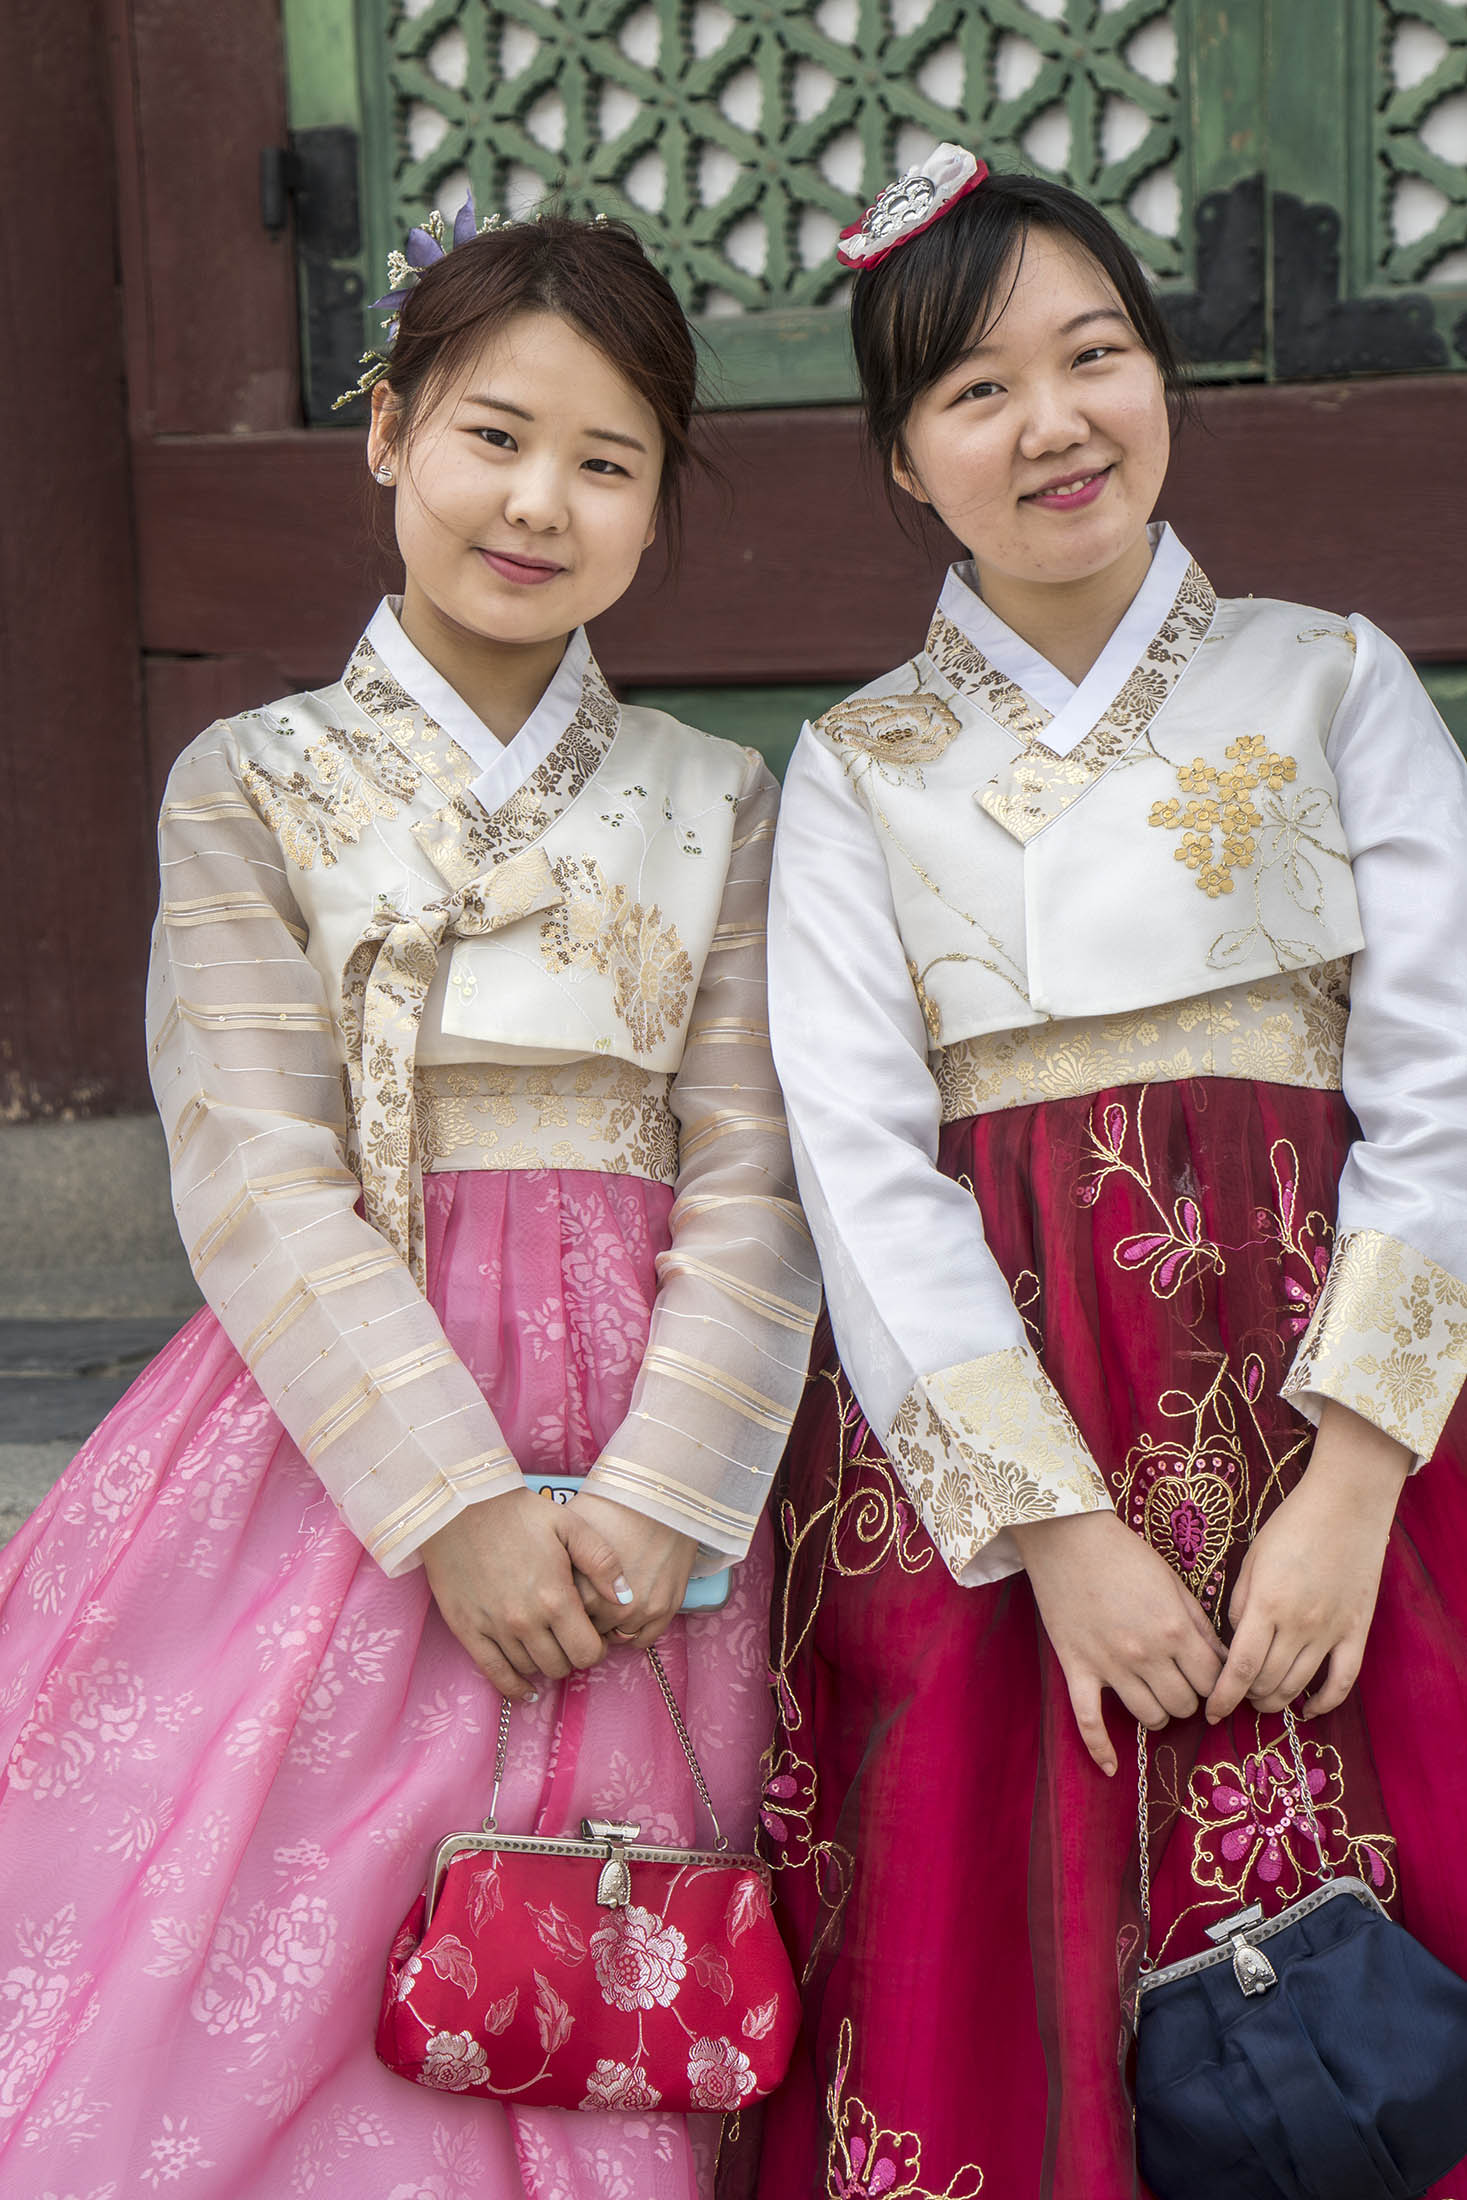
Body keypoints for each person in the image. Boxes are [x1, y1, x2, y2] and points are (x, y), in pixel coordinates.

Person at [0, 205, 819, 2199]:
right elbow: (261, 1173)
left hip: (654, 1474)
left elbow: (757, 1167)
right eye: (492, 433)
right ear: (385, 435)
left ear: (651, 512)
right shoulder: (245, 783)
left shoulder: (717, 800)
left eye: (604, 461)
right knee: (261, 1958)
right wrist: (452, 1500)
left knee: (604, 1936)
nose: (538, 500)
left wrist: (656, 1490)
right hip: (352, 1428)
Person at [745, 146, 1467, 2199]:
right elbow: (855, 1162)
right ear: (898, 457)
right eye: (972, 391)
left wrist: (1352, 1473)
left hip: (1345, 1413)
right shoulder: (857, 767)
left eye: (1092, 356)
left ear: (1159, 375)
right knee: (1004, 1961)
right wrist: (1052, 1531)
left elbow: (1441, 1072)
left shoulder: (1327, 681)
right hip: (997, 1464)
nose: (1048, 421)